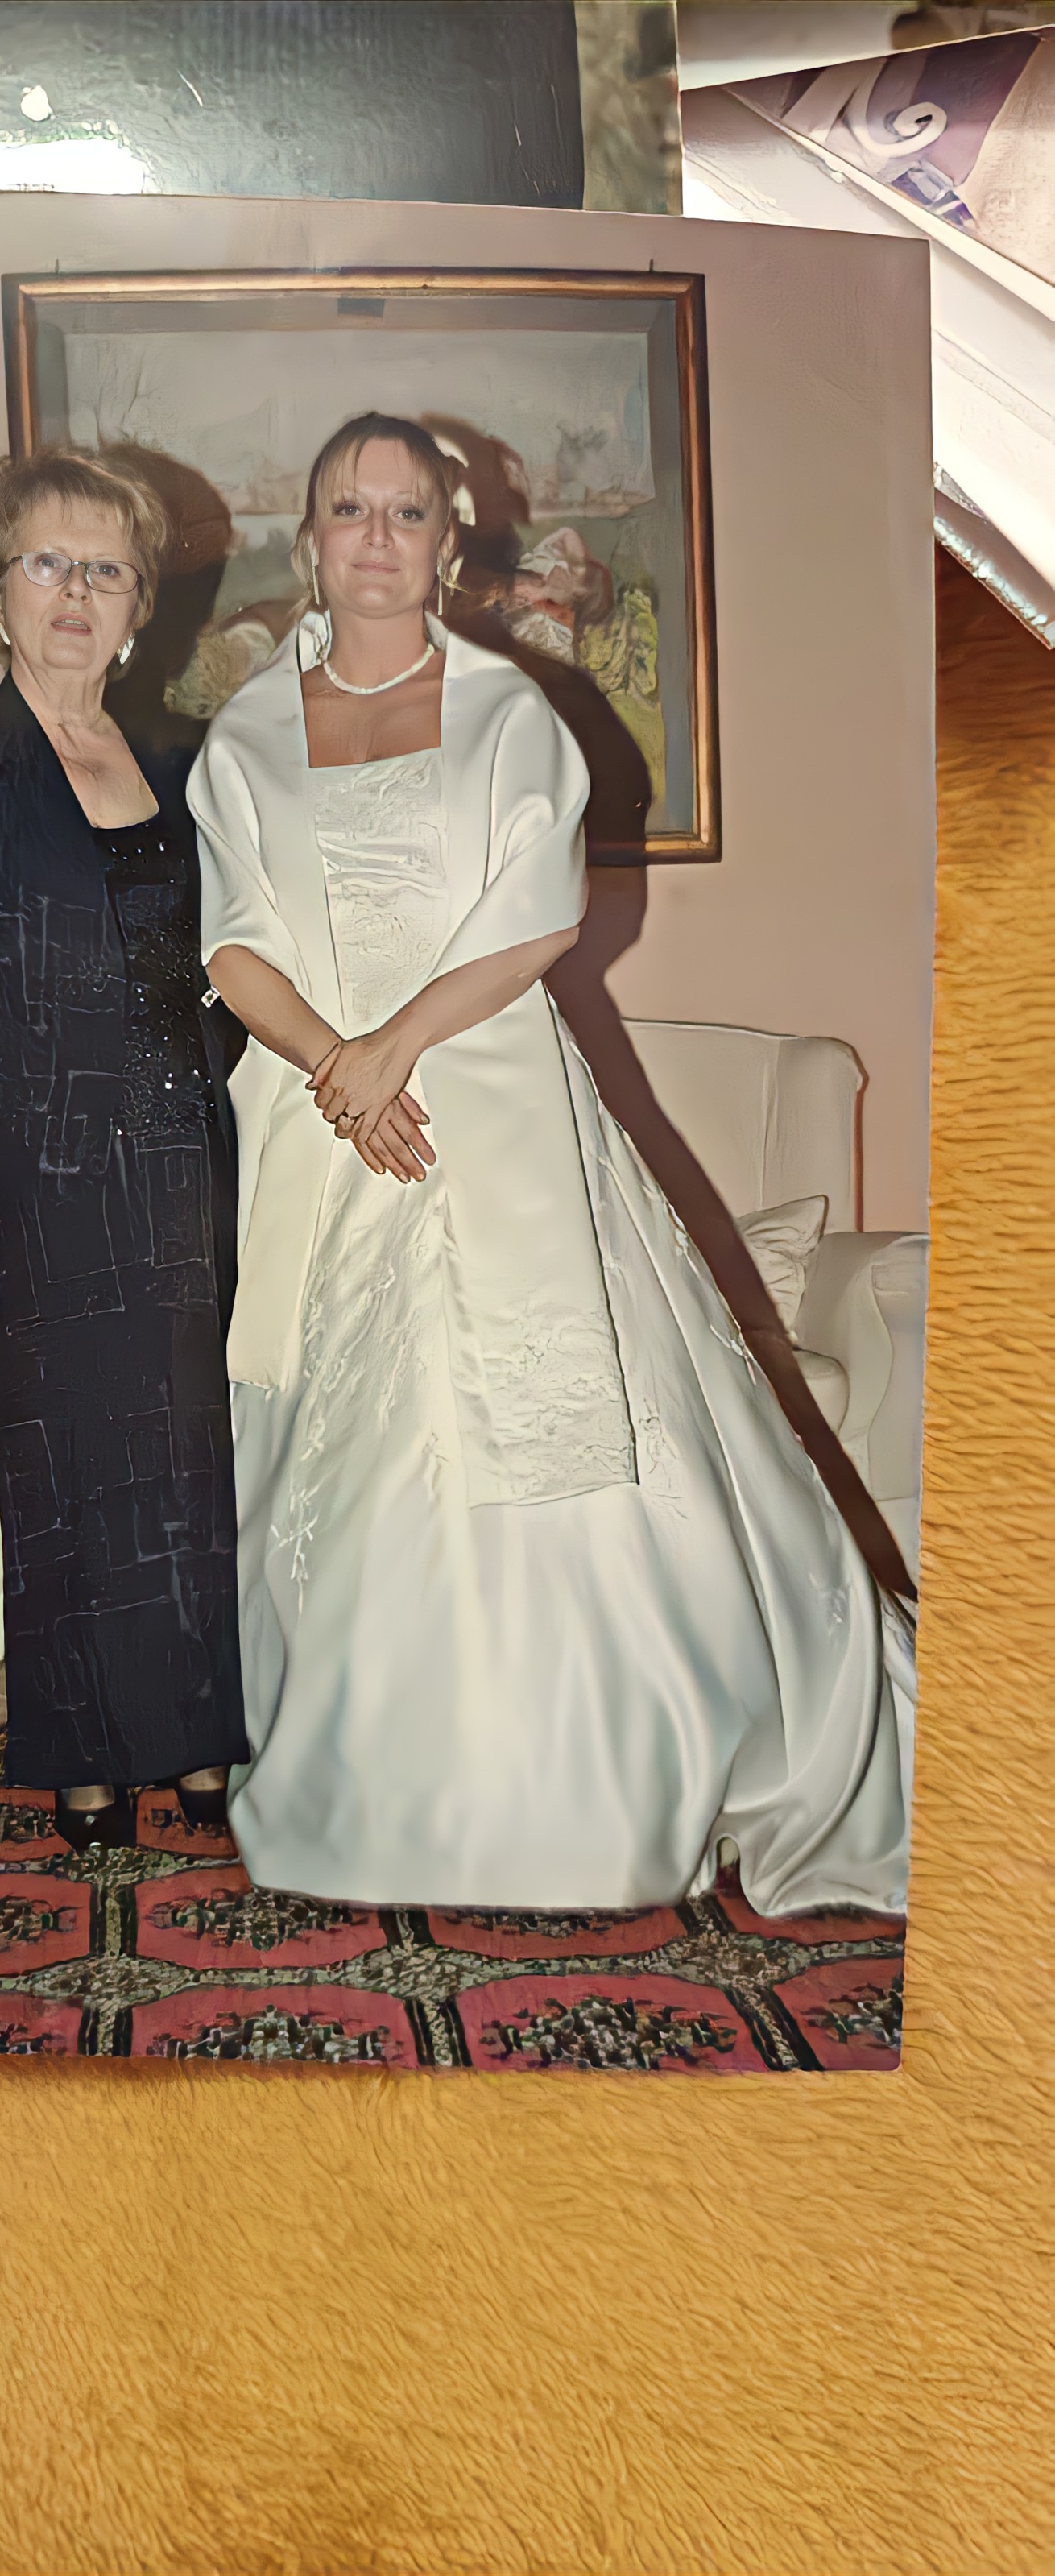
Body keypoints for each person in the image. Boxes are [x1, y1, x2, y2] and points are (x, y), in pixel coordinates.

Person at [188, 409, 913, 1914]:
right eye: (346, 509)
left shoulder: (509, 709)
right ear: (307, 537)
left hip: (487, 1100)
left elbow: (540, 916)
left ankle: (585, 1776)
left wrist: (394, 1049)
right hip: (322, 1117)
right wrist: (335, 1065)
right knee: (346, 1447)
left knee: (532, 1430)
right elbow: (231, 939)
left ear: (450, 544)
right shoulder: (248, 730)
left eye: (404, 512)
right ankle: (374, 1775)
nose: (374, 537)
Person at [0, 447, 248, 1850]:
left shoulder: (186, 761)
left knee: (185, 1452)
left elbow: (236, 955)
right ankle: (85, 1757)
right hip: (24, 1169)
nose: (76, 592)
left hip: (182, 1156)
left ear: (139, 607)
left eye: (107, 570)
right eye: (47, 563)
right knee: (61, 1459)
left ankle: (195, 1737)